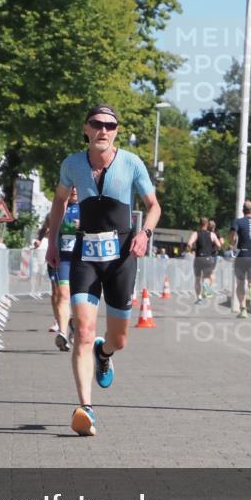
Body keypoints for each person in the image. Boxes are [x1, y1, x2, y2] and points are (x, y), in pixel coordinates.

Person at [46, 104, 160, 437]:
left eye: (110, 125)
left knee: (119, 339)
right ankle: (86, 408)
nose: (103, 130)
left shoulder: (131, 163)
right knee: (82, 329)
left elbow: (154, 207)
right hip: (86, 252)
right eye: (97, 124)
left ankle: (104, 352)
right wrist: (54, 242)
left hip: (123, 255)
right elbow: (59, 201)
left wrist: (145, 234)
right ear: (86, 128)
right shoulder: (73, 164)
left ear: (116, 132)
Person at [35, 187, 80, 350]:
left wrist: (82, 226)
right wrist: (40, 240)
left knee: (78, 299)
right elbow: (46, 227)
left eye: (77, 188)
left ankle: (74, 324)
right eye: (71, 188)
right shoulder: (58, 208)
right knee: (62, 294)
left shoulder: (87, 206)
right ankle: (62, 333)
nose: (74, 191)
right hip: (63, 258)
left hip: (83, 260)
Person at [187, 217, 222, 303]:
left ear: (200, 224)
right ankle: (206, 285)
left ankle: (199, 298)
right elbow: (219, 245)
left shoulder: (196, 233)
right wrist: (213, 250)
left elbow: (189, 243)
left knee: (197, 279)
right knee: (206, 277)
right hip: (208, 258)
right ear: (207, 225)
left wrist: (190, 249)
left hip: (198, 258)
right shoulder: (211, 234)